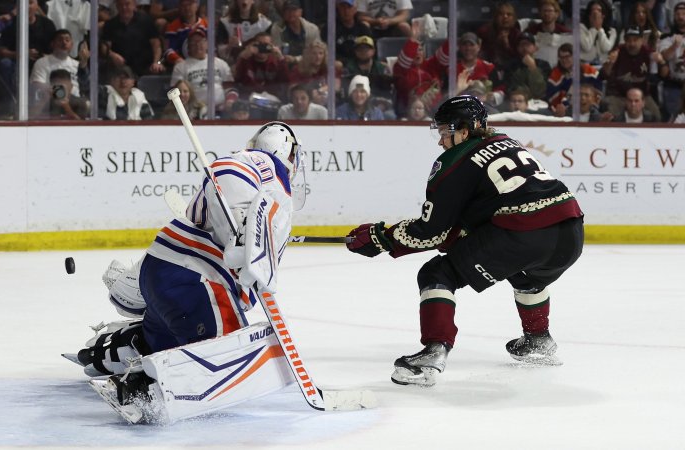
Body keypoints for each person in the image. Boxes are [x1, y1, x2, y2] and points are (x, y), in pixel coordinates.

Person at [344, 95, 584, 386]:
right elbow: (477, 216)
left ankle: (433, 354)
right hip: (571, 231)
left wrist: (381, 237)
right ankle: (538, 339)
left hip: (523, 234)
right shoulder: (505, 140)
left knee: (437, 273)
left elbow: (431, 231)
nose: (441, 141)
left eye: (445, 132)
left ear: (464, 130)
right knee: (526, 274)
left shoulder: (455, 161)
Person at [75, 121, 306, 422]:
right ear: (287, 153)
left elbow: (195, 215)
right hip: (196, 283)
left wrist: (240, 230)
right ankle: (140, 389)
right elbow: (227, 167)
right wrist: (241, 227)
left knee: (170, 345)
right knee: (224, 352)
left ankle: (123, 348)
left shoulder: (236, 192)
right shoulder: (267, 164)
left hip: (160, 275)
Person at [170, 27, 234, 113]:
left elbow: (230, 88)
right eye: (193, 42)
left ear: (207, 44)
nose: (197, 45)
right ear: (188, 46)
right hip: (194, 112)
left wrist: (229, 101)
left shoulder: (220, 63)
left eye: (201, 41)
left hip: (221, 110)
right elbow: (176, 94)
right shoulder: (181, 67)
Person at [0, 0, 56, 89]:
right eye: (23, 3)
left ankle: (55, 98)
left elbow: (56, 49)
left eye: (30, 3)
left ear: (37, 6)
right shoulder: (12, 24)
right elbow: (1, 51)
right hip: (17, 63)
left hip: (42, 63)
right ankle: (10, 99)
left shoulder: (47, 24)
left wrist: (45, 58)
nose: (27, 7)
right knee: (5, 63)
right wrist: (21, 54)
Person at [101, 0, 164, 78]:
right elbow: (104, 47)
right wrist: (112, 55)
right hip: (121, 69)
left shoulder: (146, 20)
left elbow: (156, 45)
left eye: (127, 4)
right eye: (121, 5)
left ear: (134, 5)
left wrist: (156, 62)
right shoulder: (110, 24)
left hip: (145, 67)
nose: (124, 8)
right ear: (117, 6)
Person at [30, 29, 89, 102]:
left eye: (67, 40)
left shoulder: (77, 65)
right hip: (51, 104)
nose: (64, 43)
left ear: (72, 45)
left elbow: (86, 87)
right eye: (60, 40)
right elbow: (38, 86)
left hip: (77, 104)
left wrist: (84, 64)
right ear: (52, 44)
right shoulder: (42, 63)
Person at [217, 0, 273, 65]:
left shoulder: (264, 23)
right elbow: (220, 53)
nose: (244, 1)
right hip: (233, 64)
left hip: (257, 65)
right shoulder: (225, 22)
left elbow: (269, 49)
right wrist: (229, 46)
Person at [658, 2, 685, 120]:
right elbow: (665, 57)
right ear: (673, 16)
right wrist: (674, 46)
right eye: (678, 14)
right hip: (674, 85)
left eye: (684, 14)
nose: (680, 16)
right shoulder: (667, 37)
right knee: (673, 118)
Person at [579, 0, 617, 67]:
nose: (595, 13)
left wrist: (599, 29)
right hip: (585, 65)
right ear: (589, 15)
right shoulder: (580, 28)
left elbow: (606, 48)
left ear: (603, 15)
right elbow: (586, 47)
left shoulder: (612, 31)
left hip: (602, 65)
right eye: (593, 10)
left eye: (599, 11)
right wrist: (593, 28)